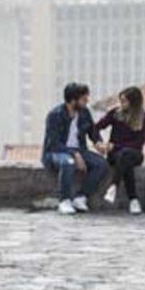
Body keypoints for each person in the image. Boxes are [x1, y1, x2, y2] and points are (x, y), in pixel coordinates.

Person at [41, 82, 108, 215]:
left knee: (101, 164)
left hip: (79, 150)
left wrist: (98, 143)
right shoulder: (55, 115)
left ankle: (81, 197)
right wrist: (75, 154)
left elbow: (92, 131)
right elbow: (54, 143)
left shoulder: (84, 113)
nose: (87, 101)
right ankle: (64, 201)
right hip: (56, 152)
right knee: (68, 163)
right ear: (73, 100)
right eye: (84, 99)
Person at [92, 85, 145, 215]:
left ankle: (113, 186)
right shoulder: (115, 113)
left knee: (126, 155)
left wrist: (116, 146)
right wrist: (98, 142)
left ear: (134, 102)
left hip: (135, 154)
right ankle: (133, 200)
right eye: (121, 100)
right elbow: (95, 127)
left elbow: (139, 142)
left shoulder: (144, 116)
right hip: (116, 155)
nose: (121, 103)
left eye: (124, 101)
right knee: (125, 162)